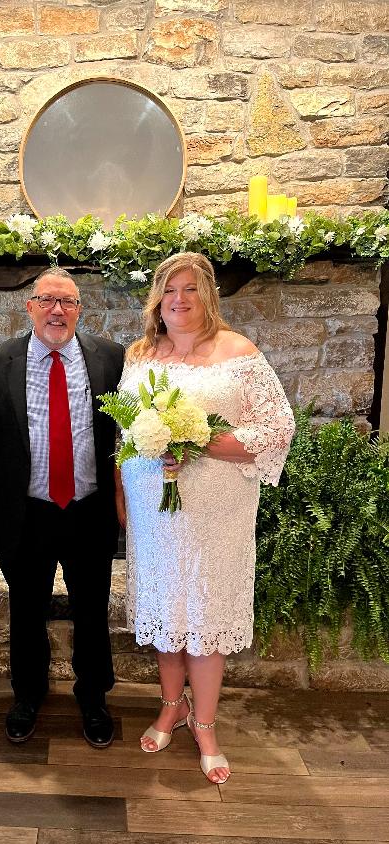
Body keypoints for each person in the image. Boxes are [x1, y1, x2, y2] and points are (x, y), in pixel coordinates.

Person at [115, 252, 294, 784]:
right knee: (168, 614)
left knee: (206, 618)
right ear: (158, 299)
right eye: (170, 290)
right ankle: (172, 705)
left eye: (191, 290)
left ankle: (207, 723)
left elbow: (277, 427)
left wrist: (207, 441)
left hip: (217, 512)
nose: (180, 300)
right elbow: (125, 435)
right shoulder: (140, 354)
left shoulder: (239, 352)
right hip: (154, 508)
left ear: (208, 295)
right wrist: (124, 495)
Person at [0, 267, 124, 748]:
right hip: (27, 512)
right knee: (25, 609)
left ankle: (94, 697)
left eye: (68, 302)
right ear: (30, 307)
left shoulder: (111, 359)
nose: (57, 310)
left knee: (92, 609)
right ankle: (27, 694)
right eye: (46, 300)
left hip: (88, 509)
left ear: (80, 308)